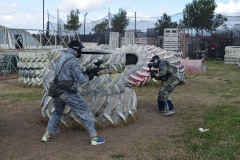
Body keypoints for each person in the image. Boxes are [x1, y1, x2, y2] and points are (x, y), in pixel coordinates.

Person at [41, 40, 105, 145]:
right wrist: (92, 74)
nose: (81, 51)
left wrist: (87, 72)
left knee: (57, 112)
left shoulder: (62, 57)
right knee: (85, 112)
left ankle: (46, 135)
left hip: (56, 90)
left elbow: (67, 74)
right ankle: (94, 138)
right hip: (67, 92)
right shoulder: (72, 60)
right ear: (76, 49)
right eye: (80, 49)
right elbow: (81, 79)